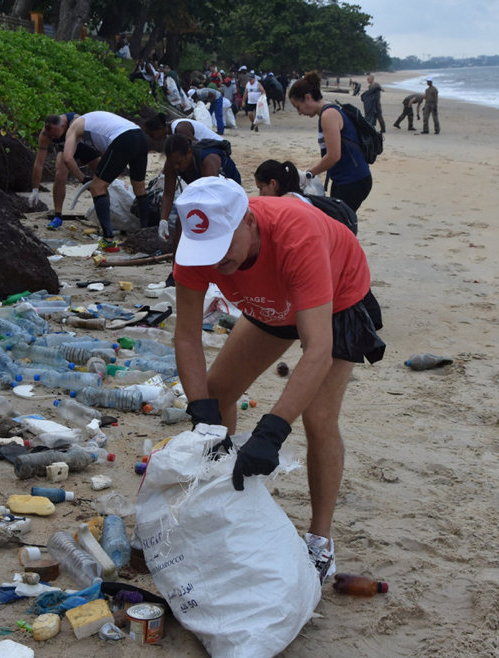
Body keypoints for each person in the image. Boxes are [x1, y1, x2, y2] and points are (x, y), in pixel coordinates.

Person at [170, 176, 385, 584]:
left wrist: (272, 431)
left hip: (335, 298)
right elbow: (186, 335)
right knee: (215, 396)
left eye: (221, 250)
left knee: (317, 419)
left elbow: (318, 349)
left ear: (249, 221)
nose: (213, 264)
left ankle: (320, 542)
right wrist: (202, 416)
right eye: (205, 252)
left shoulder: (295, 234)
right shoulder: (197, 247)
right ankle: (217, 498)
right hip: (270, 304)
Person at [30, 111, 151, 252]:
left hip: (121, 139)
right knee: (139, 188)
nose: (53, 138)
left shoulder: (73, 125)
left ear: (64, 125)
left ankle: (108, 240)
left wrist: (83, 179)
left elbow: (68, 158)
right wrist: (35, 189)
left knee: (96, 187)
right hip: (139, 136)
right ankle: (147, 233)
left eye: (55, 135)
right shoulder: (80, 125)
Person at [288, 71, 373, 212]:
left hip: (353, 180)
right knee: (339, 224)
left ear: (308, 97)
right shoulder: (328, 111)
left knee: (340, 226)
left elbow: (334, 156)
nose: (299, 112)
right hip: (345, 179)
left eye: (298, 107)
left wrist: (308, 174)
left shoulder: (328, 115)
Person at [156, 133, 242, 250]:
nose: (176, 166)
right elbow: (168, 193)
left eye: (179, 163)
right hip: (200, 188)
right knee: (180, 223)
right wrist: (163, 220)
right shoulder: (173, 163)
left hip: (226, 190)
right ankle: (176, 267)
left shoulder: (208, 161)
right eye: (173, 163)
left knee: (221, 226)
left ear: (189, 153)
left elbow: (212, 200)